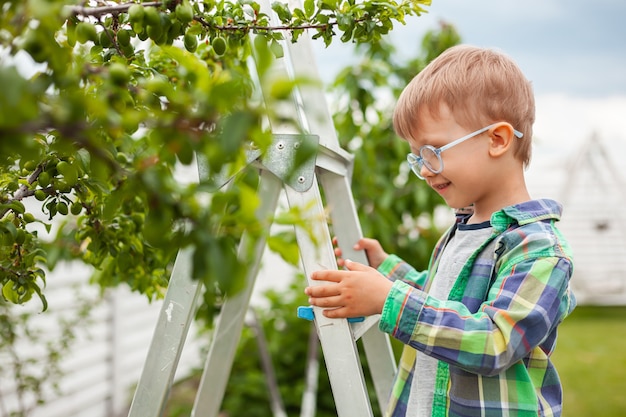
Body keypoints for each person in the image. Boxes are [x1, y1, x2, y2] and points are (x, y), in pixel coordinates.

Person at [305, 45, 576, 417]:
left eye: (433, 151)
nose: (425, 170)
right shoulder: (464, 230)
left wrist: (389, 300)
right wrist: (388, 271)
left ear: (496, 139)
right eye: (417, 157)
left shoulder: (537, 249)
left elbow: (494, 340)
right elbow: (448, 302)